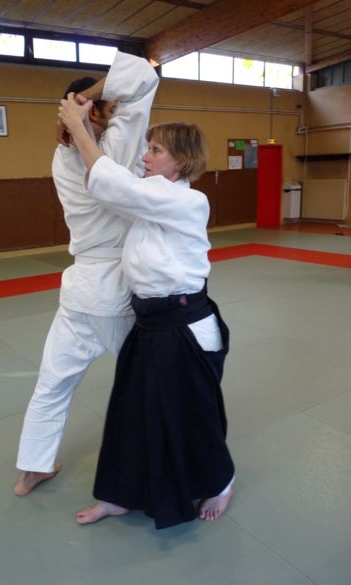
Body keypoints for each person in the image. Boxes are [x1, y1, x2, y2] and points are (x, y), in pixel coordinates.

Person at [58, 96, 235, 529]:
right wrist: (86, 133)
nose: (145, 156)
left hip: (184, 325)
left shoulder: (188, 201)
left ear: (182, 160)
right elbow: (108, 183)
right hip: (151, 324)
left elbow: (115, 185)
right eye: (148, 148)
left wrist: (79, 126)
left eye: (155, 150)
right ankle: (120, 495)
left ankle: (220, 483)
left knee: (194, 413)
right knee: (131, 411)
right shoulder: (152, 197)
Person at [14, 51, 159, 496]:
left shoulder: (61, 158)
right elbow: (143, 75)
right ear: (92, 111)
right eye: (108, 108)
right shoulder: (116, 150)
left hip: (78, 288)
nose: (116, 113)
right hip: (116, 287)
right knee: (148, 382)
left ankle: (31, 468)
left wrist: (71, 114)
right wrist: (82, 103)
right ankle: (162, 468)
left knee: (53, 381)